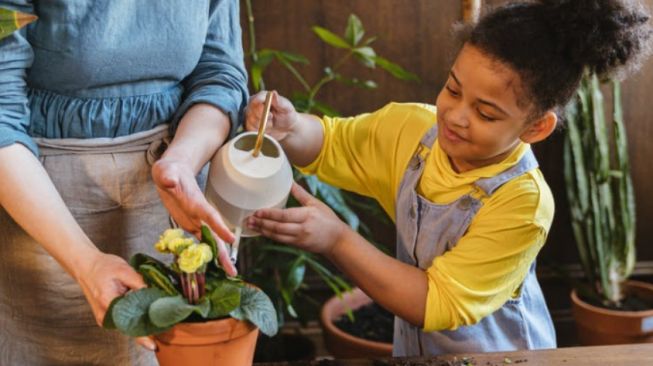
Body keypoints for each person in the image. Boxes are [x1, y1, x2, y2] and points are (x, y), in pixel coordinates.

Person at [245, 0, 652, 357]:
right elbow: (333, 144)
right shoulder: (413, 129)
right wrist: (291, 126)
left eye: (486, 113)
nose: (456, 116)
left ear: (536, 128)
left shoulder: (523, 203)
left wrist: (336, 239)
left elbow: (435, 301)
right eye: (453, 89)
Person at [0, 0, 246, 365]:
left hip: (173, 199)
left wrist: (180, 162)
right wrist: (86, 264)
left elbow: (220, 73)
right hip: (45, 211)